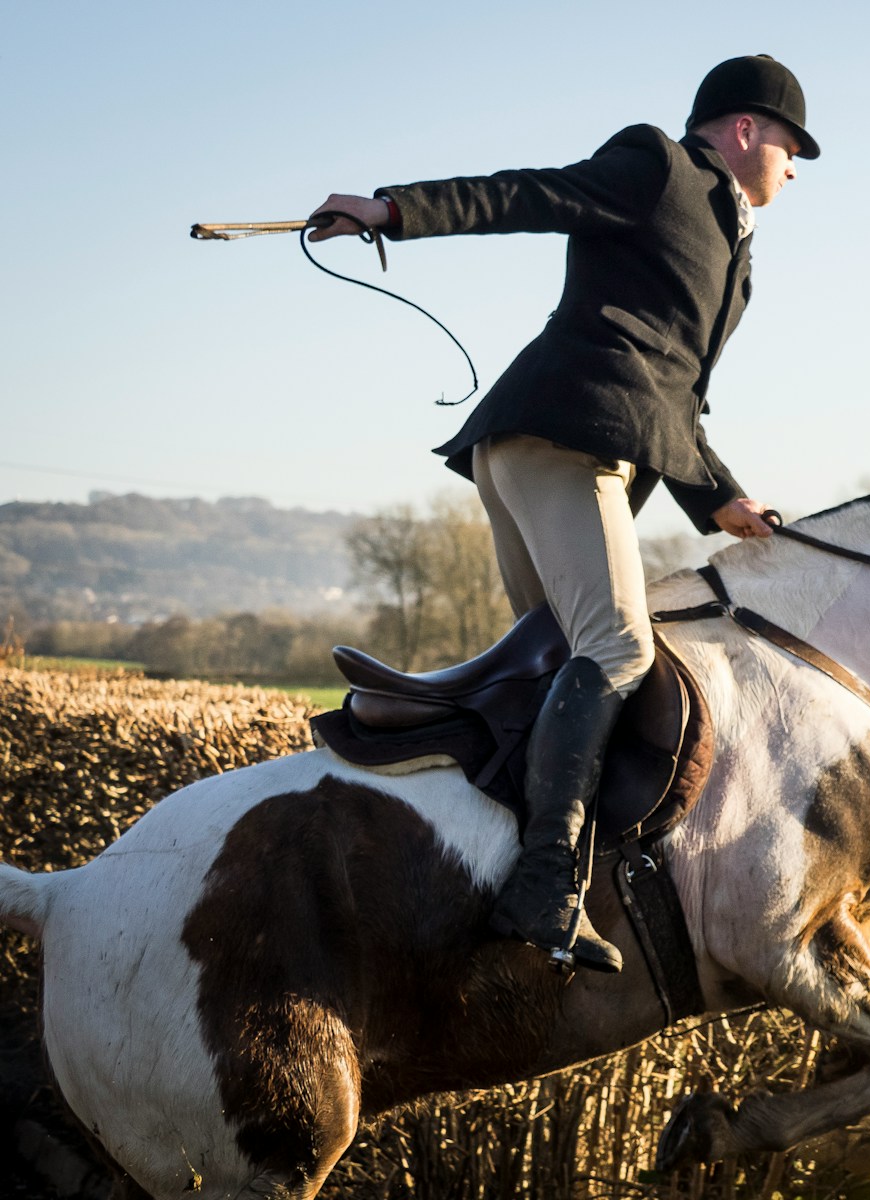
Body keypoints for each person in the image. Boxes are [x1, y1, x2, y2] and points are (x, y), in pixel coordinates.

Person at [310, 55, 819, 974]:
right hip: (564, 441)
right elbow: (528, 193)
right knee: (617, 649)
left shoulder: (734, 250)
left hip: (553, 445)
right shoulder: (660, 165)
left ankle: (467, 862)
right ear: (746, 129)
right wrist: (391, 211)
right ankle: (546, 885)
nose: (795, 167)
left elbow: (674, 398)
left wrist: (721, 496)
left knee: (555, 658)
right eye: (792, 146)